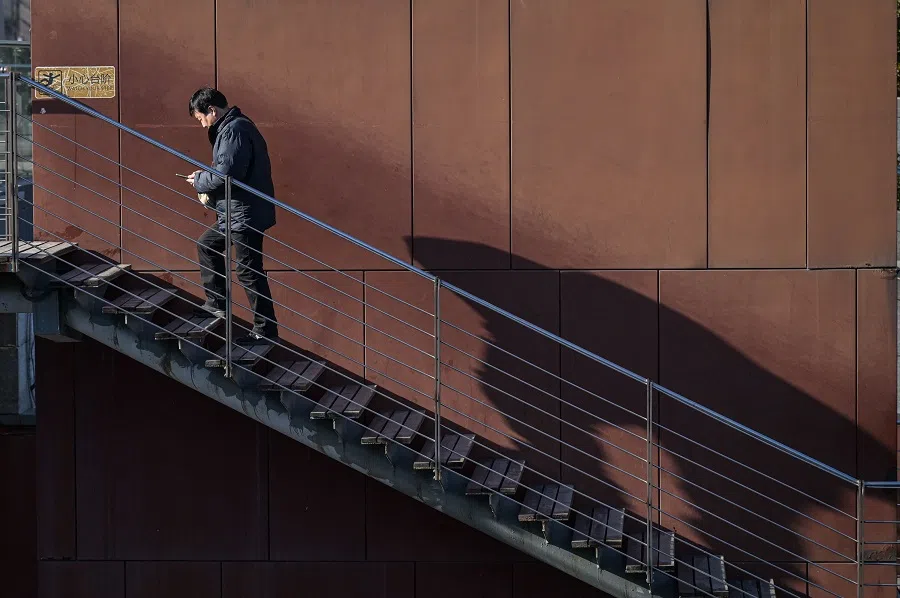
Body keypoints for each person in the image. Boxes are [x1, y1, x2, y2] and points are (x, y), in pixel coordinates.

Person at [186, 87, 278, 342]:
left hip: (244, 214)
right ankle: (216, 304)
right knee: (207, 245)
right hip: (237, 212)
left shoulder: (234, 130)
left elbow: (226, 175)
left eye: (201, 118)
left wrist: (200, 181)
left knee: (248, 270)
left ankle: (265, 331)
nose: (202, 125)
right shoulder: (234, 127)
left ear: (212, 110)